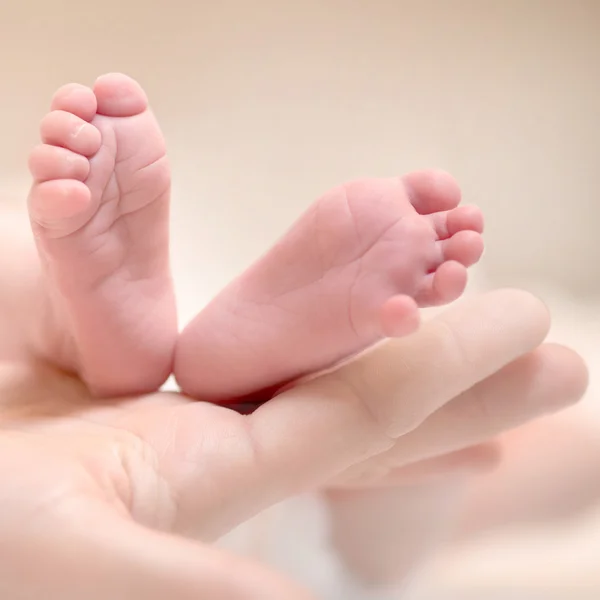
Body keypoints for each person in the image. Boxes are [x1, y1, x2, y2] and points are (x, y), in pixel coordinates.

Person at [0, 288, 587, 599]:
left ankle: (72, 311)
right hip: (170, 455)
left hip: (164, 477)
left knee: (494, 457)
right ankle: (63, 307)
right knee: (547, 458)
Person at [16, 73, 482, 401]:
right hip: (334, 499)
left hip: (287, 508)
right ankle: (59, 318)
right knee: (478, 458)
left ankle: (59, 321)